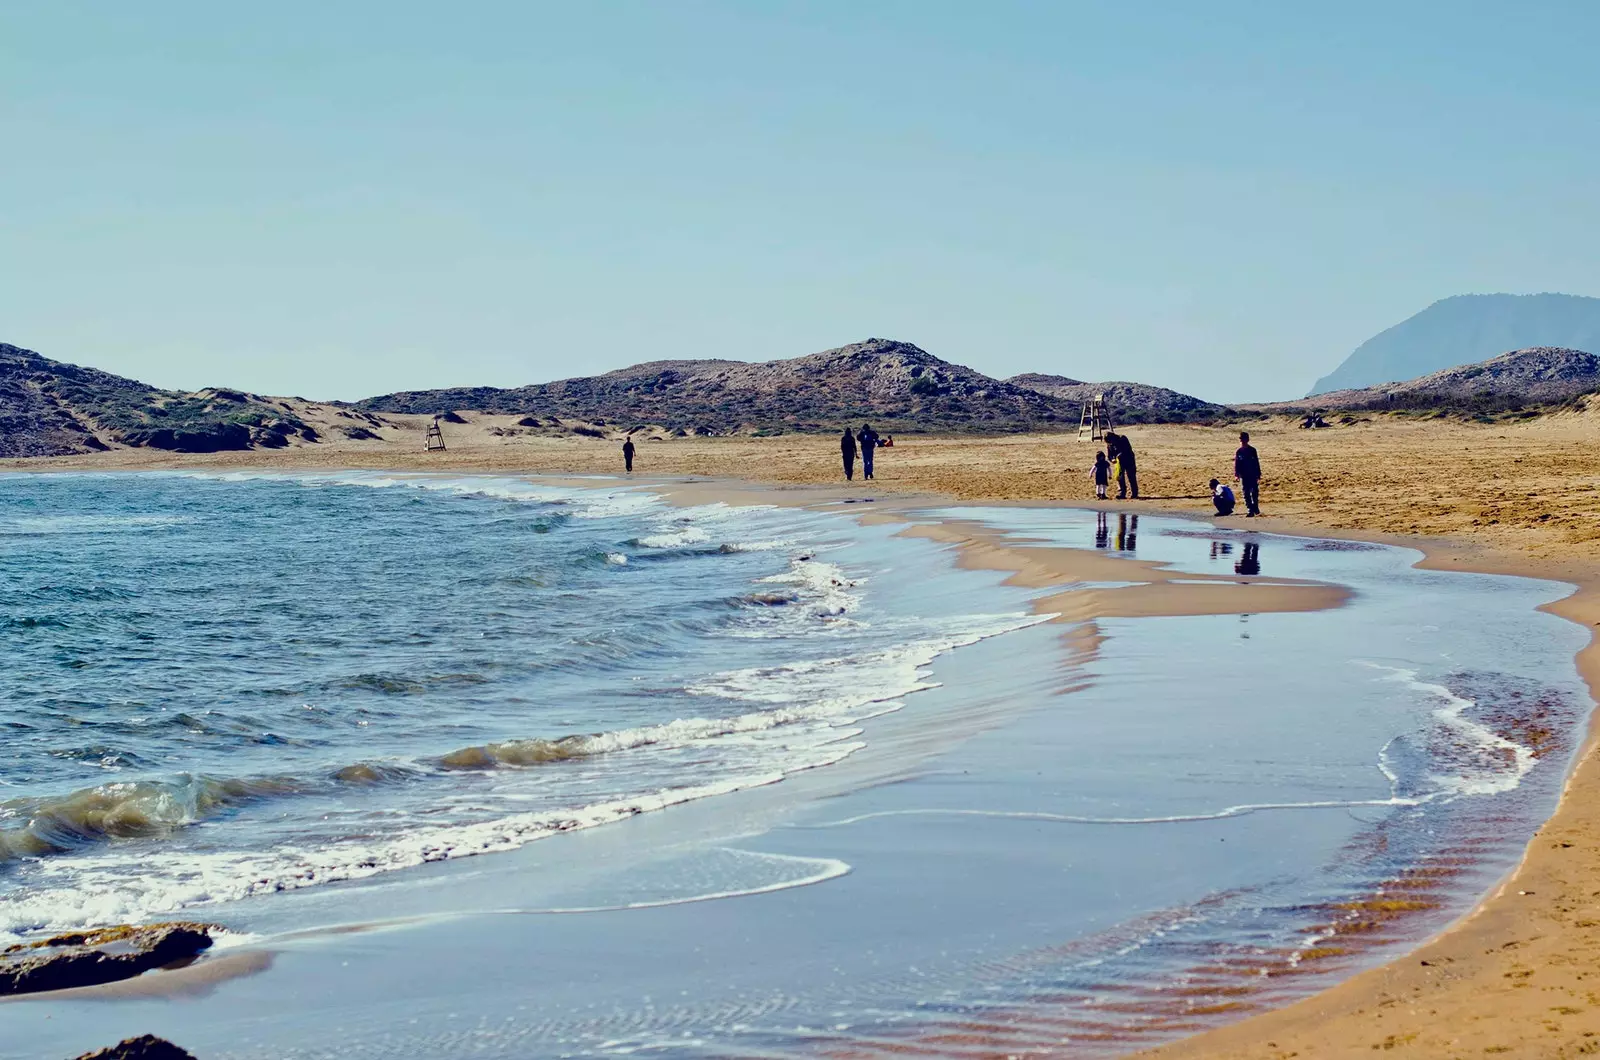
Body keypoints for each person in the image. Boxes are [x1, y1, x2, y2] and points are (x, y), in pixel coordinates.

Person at [1234, 431, 1262, 517]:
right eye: (1241, 439)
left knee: (1254, 492)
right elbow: (1237, 463)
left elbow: (1256, 462)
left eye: (1244, 439)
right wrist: (1236, 474)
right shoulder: (1239, 451)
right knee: (1246, 493)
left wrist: (1258, 474)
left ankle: (1255, 507)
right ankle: (1250, 509)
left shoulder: (1252, 450)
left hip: (1252, 474)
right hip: (1244, 475)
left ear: (1248, 440)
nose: (1242, 441)